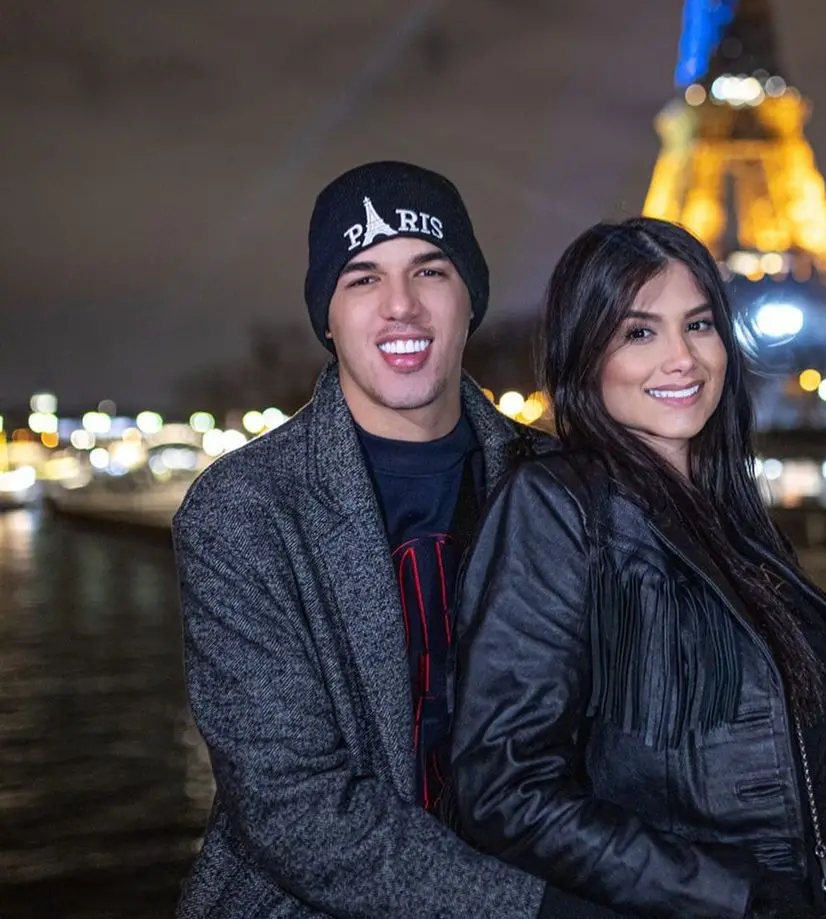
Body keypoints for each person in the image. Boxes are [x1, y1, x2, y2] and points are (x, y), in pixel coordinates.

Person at [450, 217, 826, 919]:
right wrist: (741, 898)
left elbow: (812, 750)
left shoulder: (729, 513)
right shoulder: (554, 509)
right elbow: (503, 788)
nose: (682, 358)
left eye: (698, 324)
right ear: (585, 355)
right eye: (639, 332)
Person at [173, 162, 623, 919]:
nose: (401, 306)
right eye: (361, 279)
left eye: (430, 270)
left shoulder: (568, 482)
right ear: (326, 316)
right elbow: (296, 812)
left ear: (469, 296)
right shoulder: (240, 512)